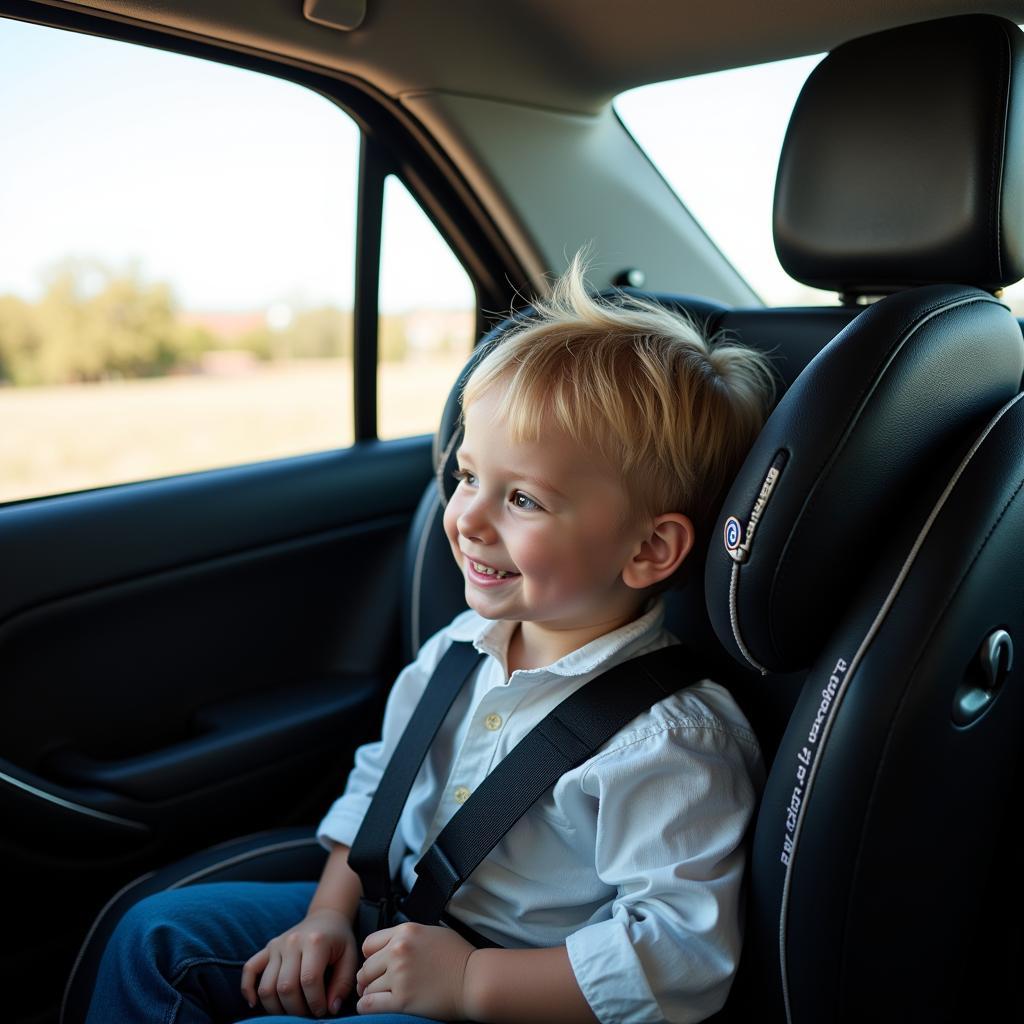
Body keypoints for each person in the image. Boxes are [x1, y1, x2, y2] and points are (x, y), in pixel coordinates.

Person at [84, 253, 775, 1024]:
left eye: (522, 498)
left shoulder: (669, 743)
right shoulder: (459, 648)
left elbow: (680, 956)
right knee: (152, 938)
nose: (468, 517)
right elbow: (380, 789)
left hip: (512, 997)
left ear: (649, 549)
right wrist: (326, 917)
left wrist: (471, 981)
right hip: (392, 922)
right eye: (467, 474)